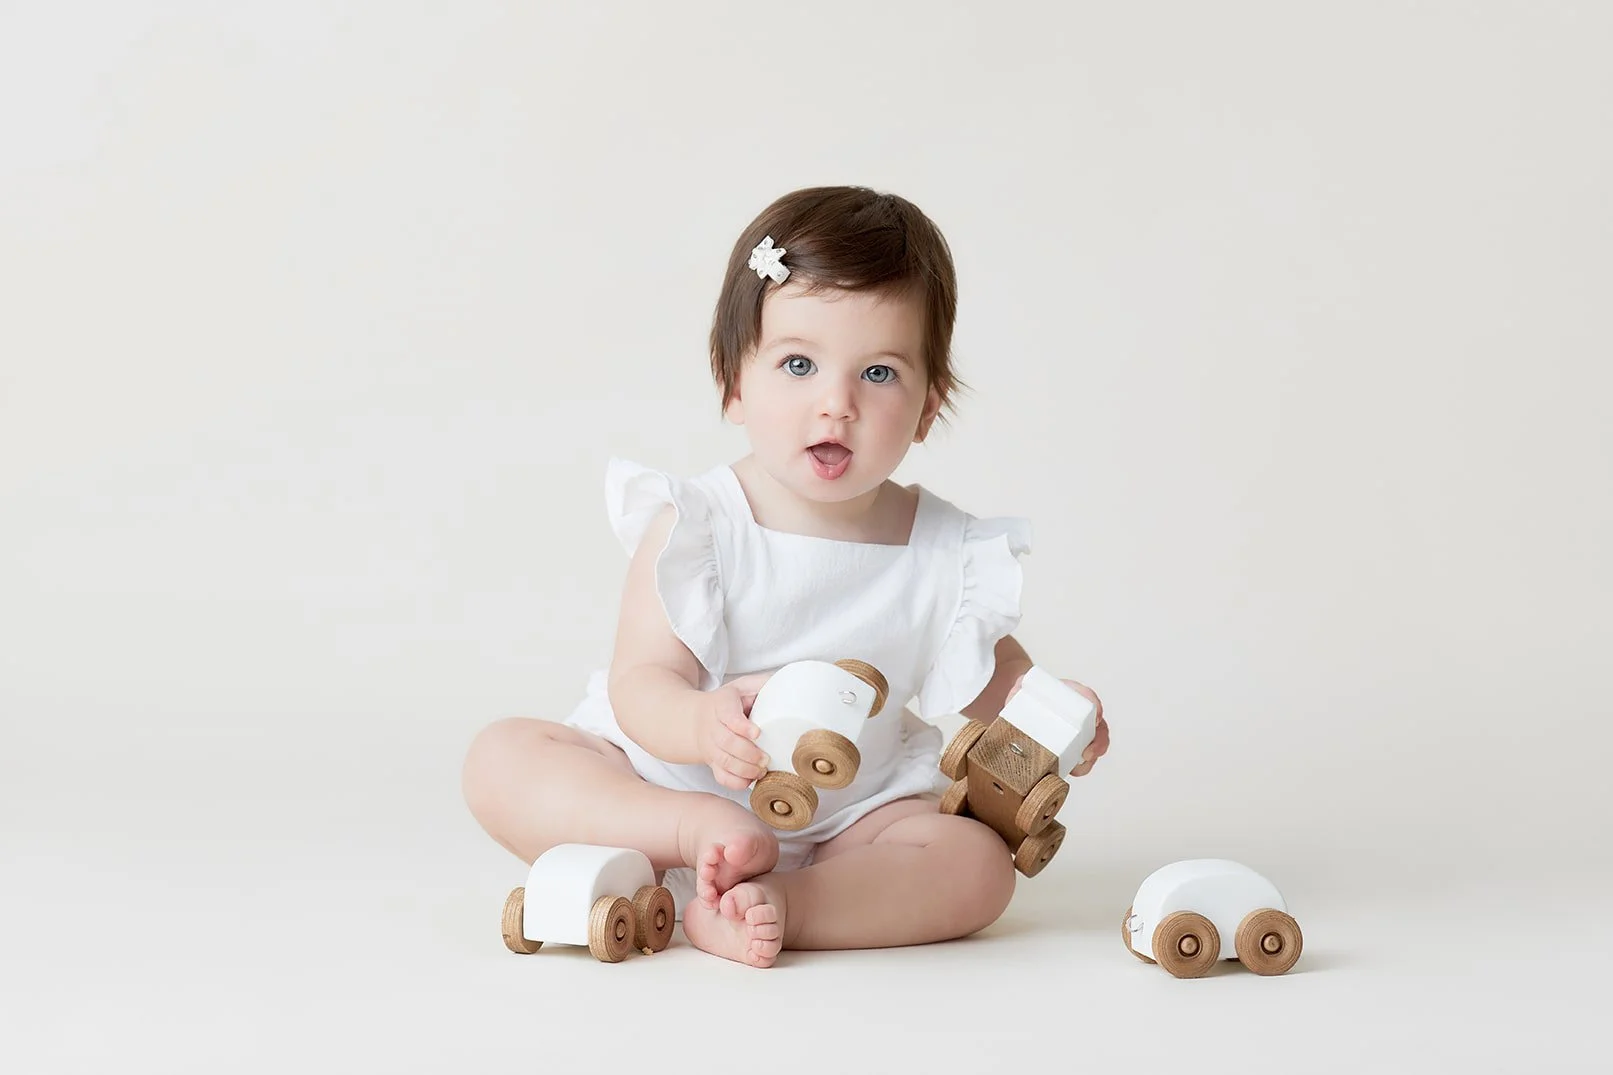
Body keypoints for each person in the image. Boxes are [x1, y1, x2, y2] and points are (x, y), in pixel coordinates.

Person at [462, 186, 1109, 967]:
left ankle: (784, 902)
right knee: (502, 757)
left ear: (929, 406)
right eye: (798, 364)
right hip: (671, 787)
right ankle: (692, 840)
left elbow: (990, 681)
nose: (834, 405)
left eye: (877, 374)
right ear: (734, 381)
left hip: (851, 819)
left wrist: (1046, 715)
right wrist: (701, 726)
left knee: (976, 867)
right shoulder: (700, 525)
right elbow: (643, 680)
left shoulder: (944, 550)